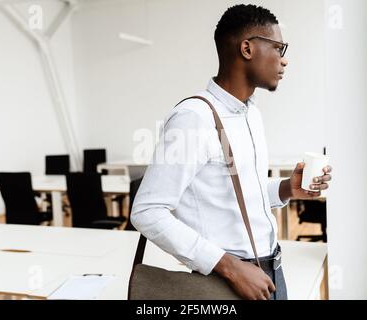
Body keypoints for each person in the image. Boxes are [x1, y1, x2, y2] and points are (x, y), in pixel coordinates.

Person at [131, 4, 332, 300]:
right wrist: (230, 268)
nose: (284, 60)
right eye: (278, 47)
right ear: (247, 49)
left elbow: (241, 193)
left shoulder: (251, 114)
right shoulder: (193, 119)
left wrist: (287, 188)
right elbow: (147, 212)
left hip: (271, 271)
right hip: (226, 281)